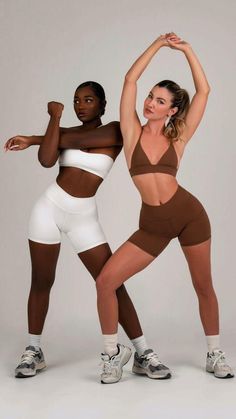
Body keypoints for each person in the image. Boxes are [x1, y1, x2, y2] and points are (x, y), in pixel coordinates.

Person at [95, 34, 234, 383]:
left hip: (189, 216)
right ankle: (113, 355)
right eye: (150, 97)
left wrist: (188, 50)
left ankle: (215, 353)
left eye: (159, 101)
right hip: (153, 224)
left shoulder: (180, 135)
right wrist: (157, 45)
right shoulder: (131, 131)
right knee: (106, 281)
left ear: (172, 110)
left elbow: (203, 92)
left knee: (203, 285)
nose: (149, 103)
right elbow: (130, 79)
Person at [5, 81, 162, 378]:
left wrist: (38, 137)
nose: (80, 105)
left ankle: (143, 352)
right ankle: (34, 349)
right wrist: (53, 119)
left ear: (103, 105)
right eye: (77, 100)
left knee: (112, 282)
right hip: (48, 209)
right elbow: (47, 159)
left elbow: (78, 141)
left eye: (89, 100)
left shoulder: (115, 130)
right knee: (41, 280)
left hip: (83, 217)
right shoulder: (63, 131)